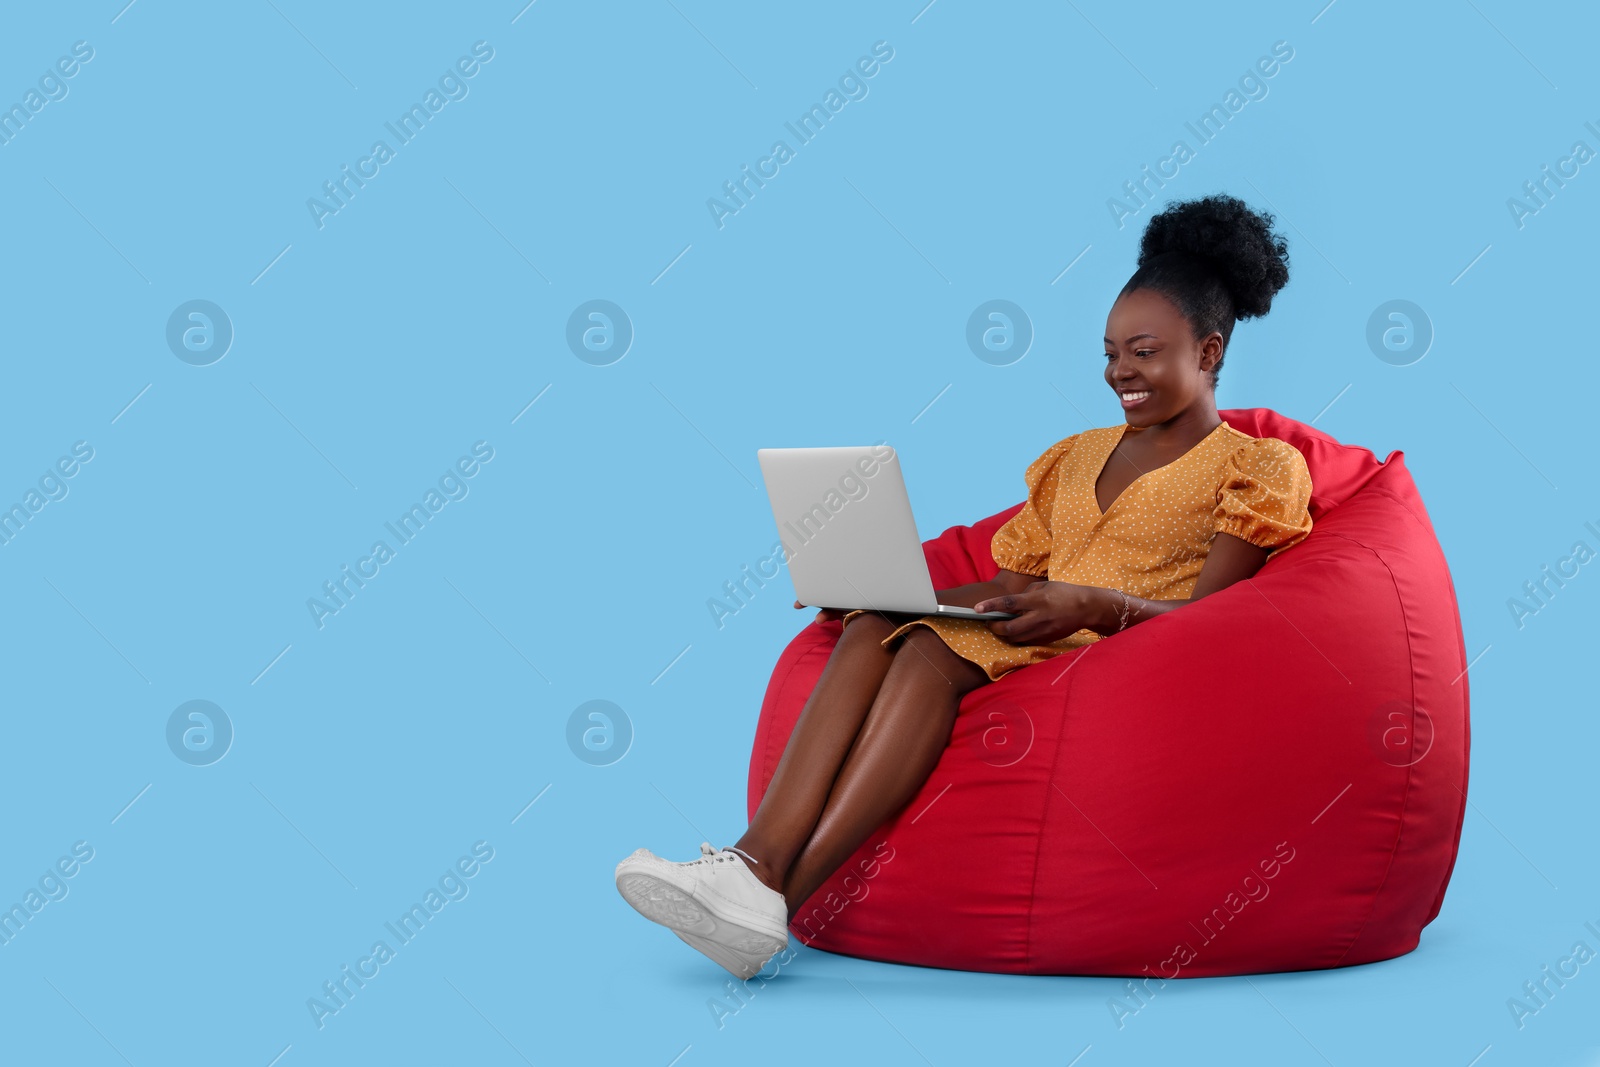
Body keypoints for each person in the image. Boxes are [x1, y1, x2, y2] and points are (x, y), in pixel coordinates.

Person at [615, 193, 1315, 980]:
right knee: (882, 620)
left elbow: (1216, 620)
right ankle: (750, 866)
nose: (1121, 371)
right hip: (1041, 624)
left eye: (1145, 351)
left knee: (926, 654)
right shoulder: (1074, 457)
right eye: (1111, 350)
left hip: (1122, 647)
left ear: (1210, 352)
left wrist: (1092, 604)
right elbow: (1011, 584)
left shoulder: (1258, 467)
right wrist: (886, 586)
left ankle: (779, 891)